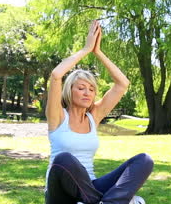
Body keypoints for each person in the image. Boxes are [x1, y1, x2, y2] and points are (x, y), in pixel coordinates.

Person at [45, 20, 154, 204]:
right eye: (81, 88)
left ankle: (107, 202)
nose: (87, 92)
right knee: (64, 159)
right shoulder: (58, 116)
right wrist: (86, 49)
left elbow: (123, 84)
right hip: (60, 194)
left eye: (91, 89)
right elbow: (56, 75)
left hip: (90, 187)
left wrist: (99, 52)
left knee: (144, 160)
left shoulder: (93, 116)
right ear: (69, 90)